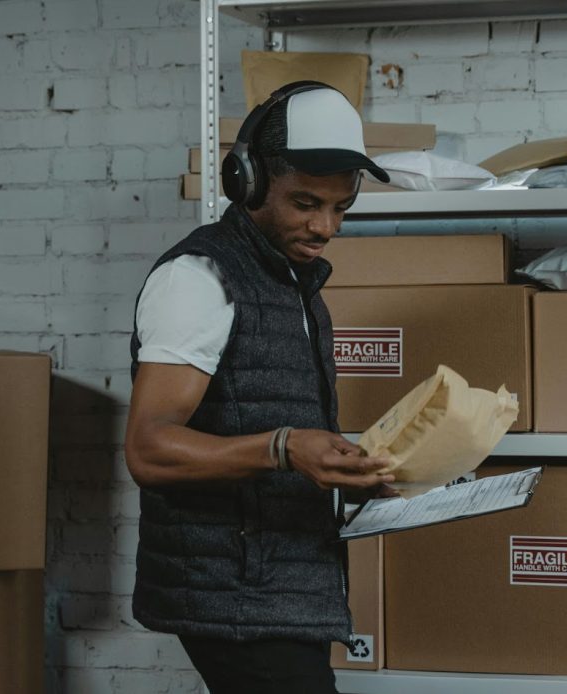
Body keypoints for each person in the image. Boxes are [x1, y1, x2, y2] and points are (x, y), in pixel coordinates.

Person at [123, 81, 395, 694]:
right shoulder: (198, 279)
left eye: (341, 208)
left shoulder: (293, 283)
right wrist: (286, 448)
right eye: (305, 203)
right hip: (234, 592)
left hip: (285, 582)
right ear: (246, 181)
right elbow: (148, 447)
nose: (326, 226)